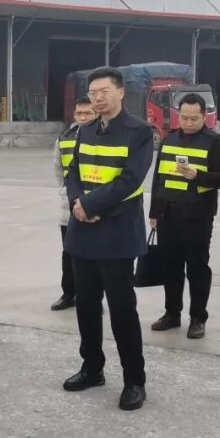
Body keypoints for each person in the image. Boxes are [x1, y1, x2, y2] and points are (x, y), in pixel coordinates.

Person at [63, 67, 154, 411]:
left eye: (104, 91)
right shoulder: (85, 130)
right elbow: (73, 171)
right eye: (93, 93)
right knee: (86, 305)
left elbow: (130, 180)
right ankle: (92, 368)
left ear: (121, 92)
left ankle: (134, 380)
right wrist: (77, 203)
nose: (97, 98)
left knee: (121, 309)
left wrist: (91, 205)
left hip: (116, 232)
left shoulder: (139, 132)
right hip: (83, 230)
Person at [149, 93, 220, 339]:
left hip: (198, 216)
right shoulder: (169, 139)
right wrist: (154, 212)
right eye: (184, 117)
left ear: (204, 116)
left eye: (194, 118)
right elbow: (159, 178)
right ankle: (172, 313)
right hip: (168, 215)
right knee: (170, 268)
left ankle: (198, 318)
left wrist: (198, 176)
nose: (188, 122)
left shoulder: (215, 142)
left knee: (197, 268)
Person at [51, 95, 96, 311]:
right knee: (68, 253)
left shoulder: (103, 137)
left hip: (95, 205)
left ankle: (91, 297)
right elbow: (58, 169)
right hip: (68, 206)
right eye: (79, 113)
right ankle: (68, 294)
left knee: (93, 256)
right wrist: (66, 192)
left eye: (88, 113)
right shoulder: (64, 137)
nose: (83, 118)